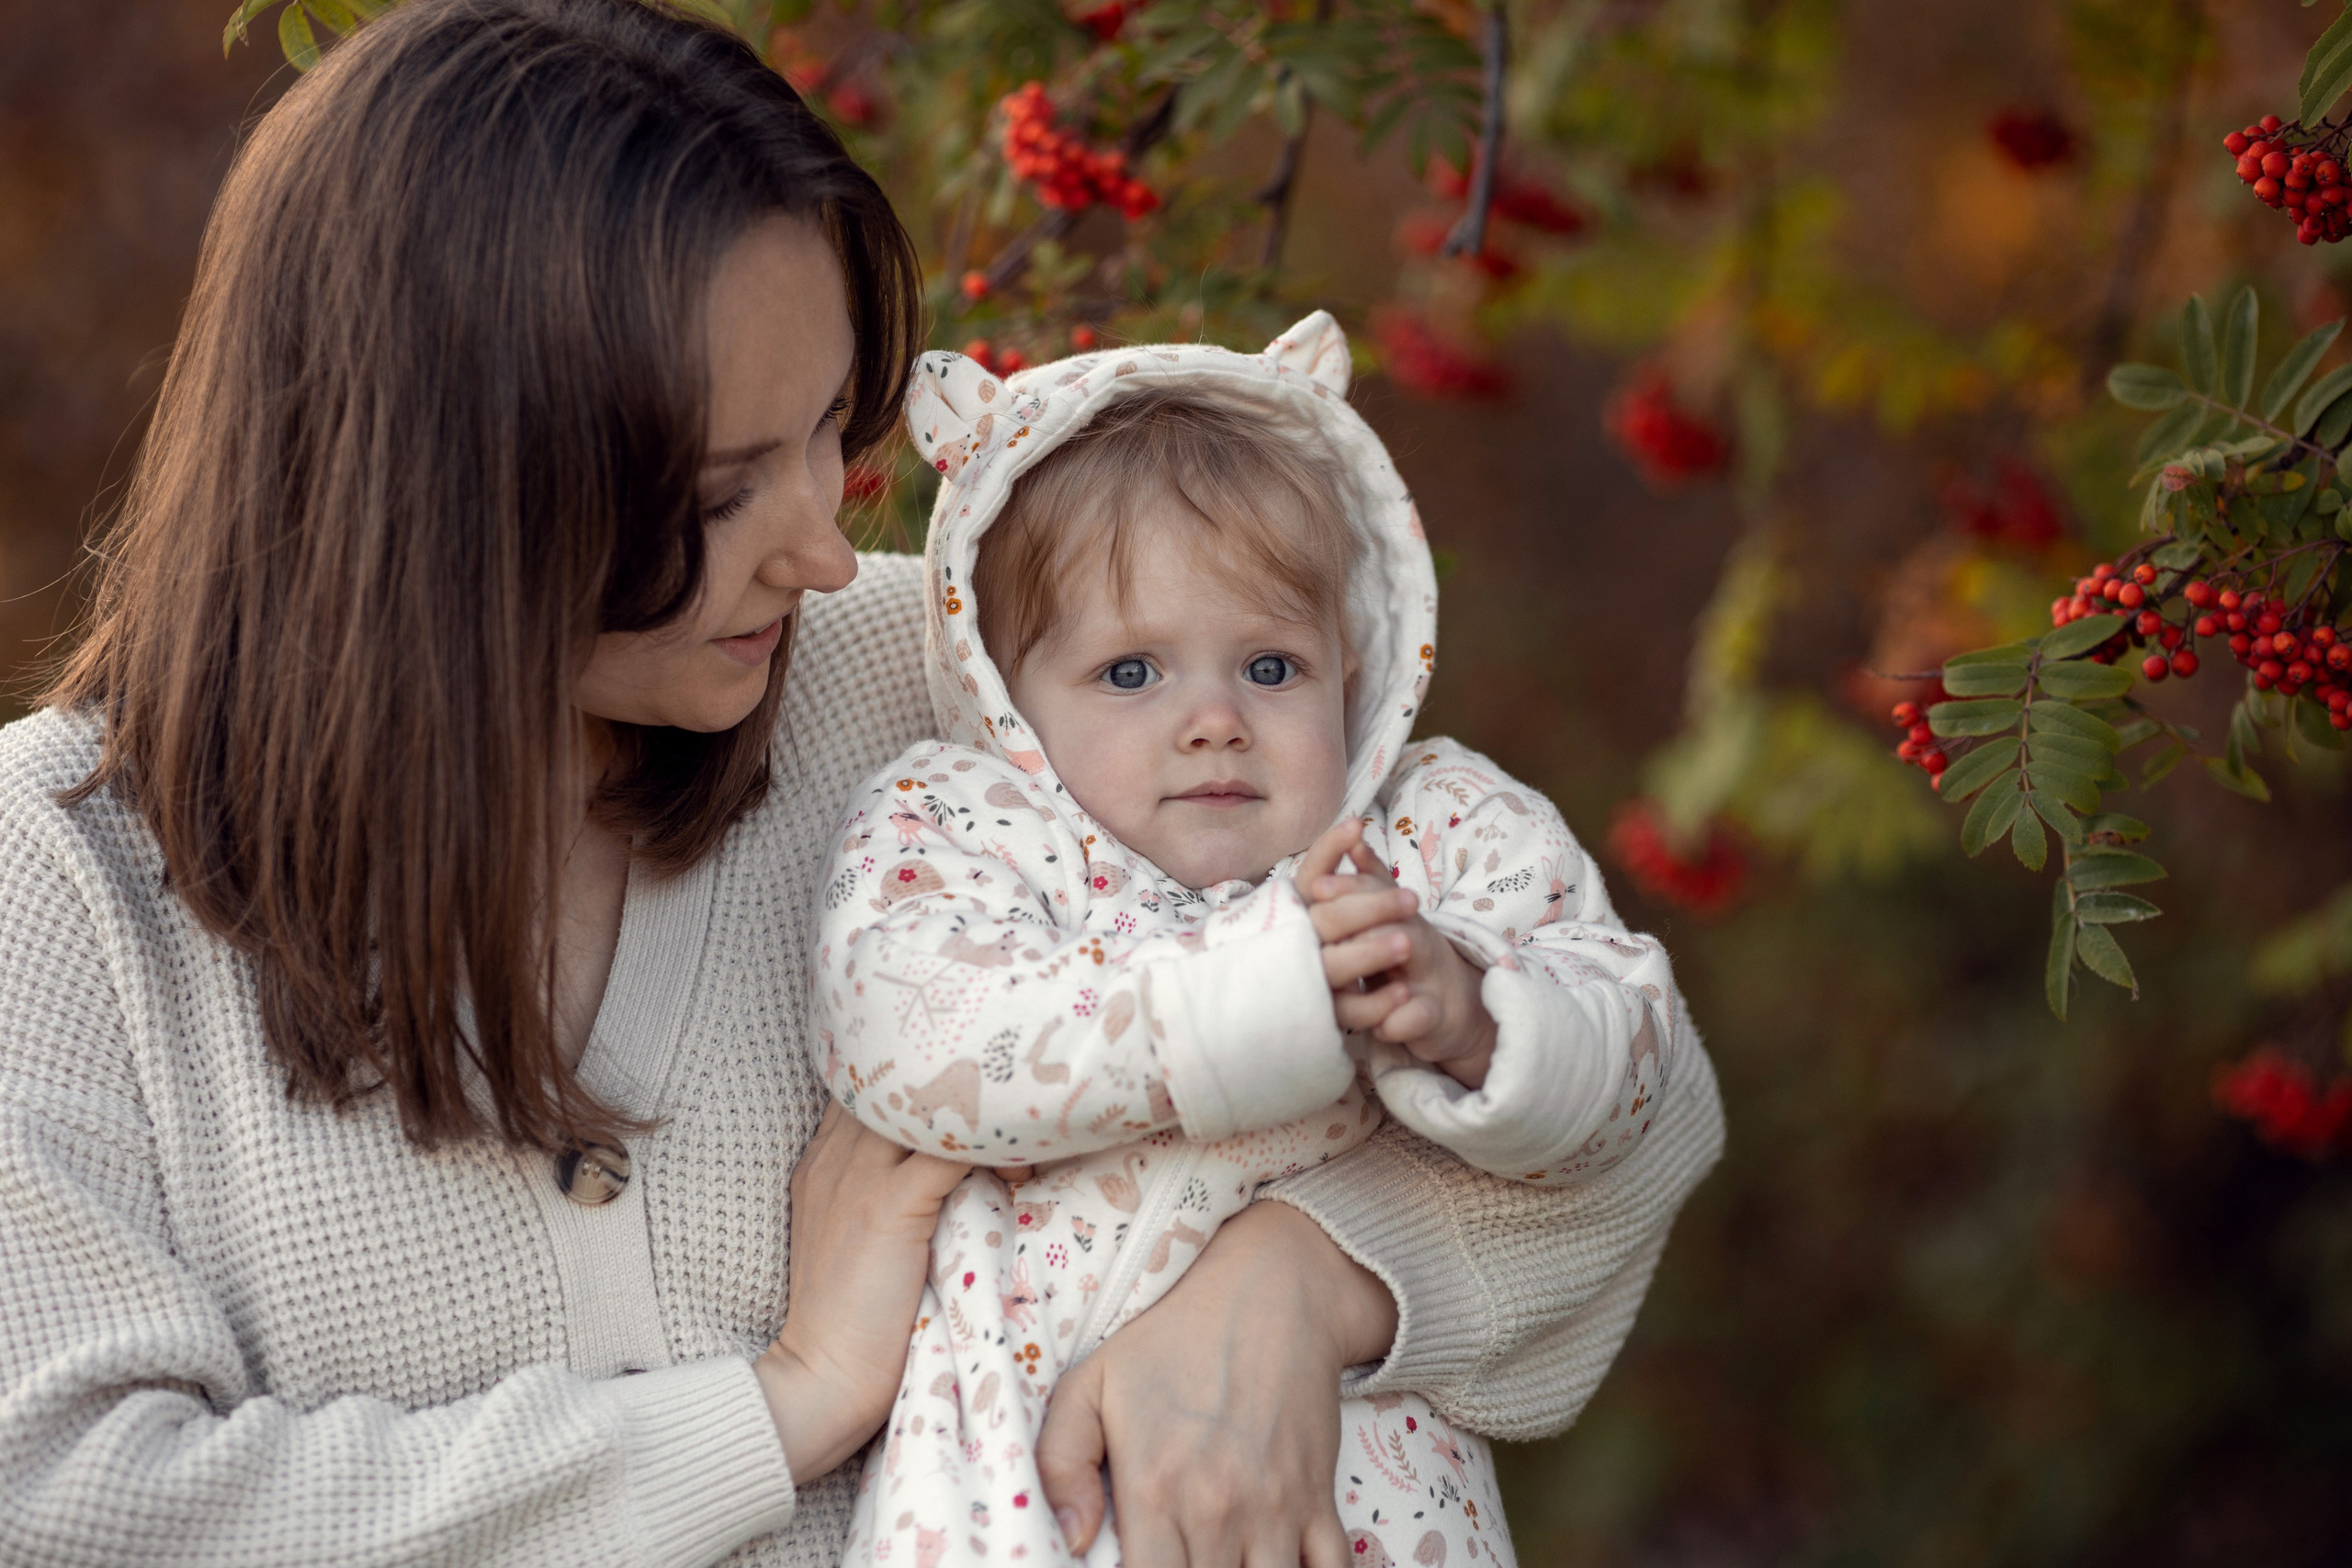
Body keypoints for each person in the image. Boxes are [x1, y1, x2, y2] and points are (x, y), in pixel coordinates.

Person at [0, 2, 1724, 1565]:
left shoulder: (964, 695)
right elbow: (71, 1508)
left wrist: (1306, 1285)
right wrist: (782, 1406)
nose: (828, 549)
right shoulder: (58, 882)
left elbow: (1624, 1111)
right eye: (724, 486)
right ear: (447, 487)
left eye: (835, 432)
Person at [814, 317, 1695, 1568]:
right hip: (1021, 1494)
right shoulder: (964, 829)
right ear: (1006, 695)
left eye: (1273, 665)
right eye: (1131, 674)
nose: (1215, 720)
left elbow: (1642, 1057)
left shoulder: (1432, 835)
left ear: (1353, 667)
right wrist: (1253, 1004)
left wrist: (1480, 1010)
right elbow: (906, 1033)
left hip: (1366, 1496)